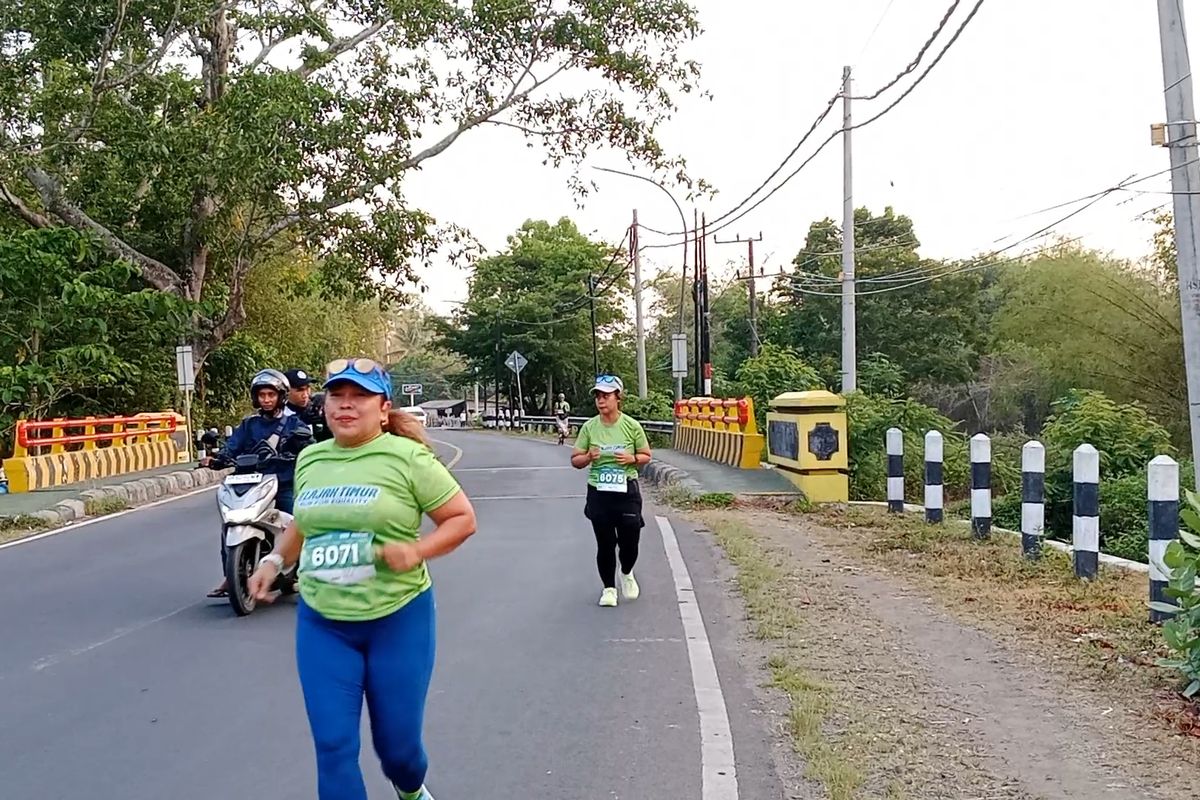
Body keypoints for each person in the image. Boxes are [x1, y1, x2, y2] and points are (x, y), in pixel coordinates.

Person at [246, 357, 476, 800]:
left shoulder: (408, 458)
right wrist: (273, 561)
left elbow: (462, 520)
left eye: (359, 397)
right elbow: (303, 523)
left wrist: (416, 550)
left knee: (399, 753)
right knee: (333, 747)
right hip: (324, 623)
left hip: (397, 619)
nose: (346, 406)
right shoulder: (312, 458)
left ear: (384, 408)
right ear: (325, 404)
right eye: (337, 396)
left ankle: (411, 790)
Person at [204, 368, 313, 598]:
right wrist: (217, 459)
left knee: (298, 522)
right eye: (262, 395)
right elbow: (232, 446)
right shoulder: (249, 425)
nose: (266, 399)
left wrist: (299, 449)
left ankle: (305, 573)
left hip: (282, 483)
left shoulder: (293, 423)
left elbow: (308, 444)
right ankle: (230, 575)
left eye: (271, 395)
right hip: (251, 483)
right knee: (231, 523)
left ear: (280, 396)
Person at [570, 374, 652, 607]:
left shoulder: (631, 426)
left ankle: (626, 571)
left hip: (626, 490)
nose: (601, 400)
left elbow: (647, 456)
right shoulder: (589, 427)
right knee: (604, 543)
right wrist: (588, 457)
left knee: (630, 540)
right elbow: (575, 460)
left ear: (618, 397)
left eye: (605, 395)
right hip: (599, 490)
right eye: (597, 396)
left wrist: (631, 458)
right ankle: (608, 589)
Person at [285, 368, 332, 442]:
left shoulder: (316, 408)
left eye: (307, 389)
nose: (305, 395)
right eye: (300, 390)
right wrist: (300, 422)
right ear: (287, 391)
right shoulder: (280, 413)